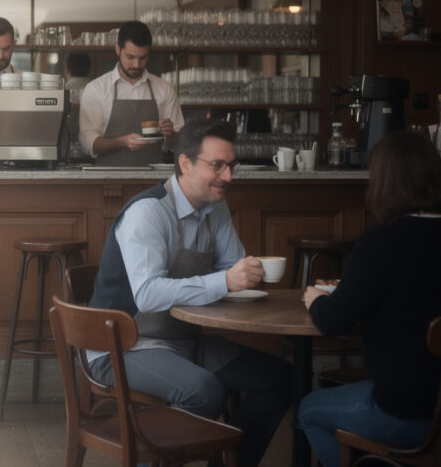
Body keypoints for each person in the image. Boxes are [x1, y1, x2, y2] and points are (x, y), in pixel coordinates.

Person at [87, 118, 292, 467]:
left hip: (182, 341)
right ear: (185, 163)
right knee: (203, 390)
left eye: (231, 166)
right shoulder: (147, 212)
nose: (228, 177)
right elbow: (148, 295)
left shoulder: (217, 207)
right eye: (217, 166)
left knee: (280, 380)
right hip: (123, 346)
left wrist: (245, 276)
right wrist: (225, 281)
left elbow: (232, 264)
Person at [298, 130, 441, 467]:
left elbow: (333, 322)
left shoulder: (380, 243)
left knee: (309, 410)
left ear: (383, 183)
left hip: (413, 418)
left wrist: (316, 299)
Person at [79, 20, 184, 166]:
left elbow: (180, 144)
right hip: (107, 180)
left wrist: (171, 133)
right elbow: (87, 141)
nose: (136, 65)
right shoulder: (96, 89)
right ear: (117, 50)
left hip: (152, 181)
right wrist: (121, 142)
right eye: (130, 57)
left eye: (143, 58)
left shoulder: (164, 88)